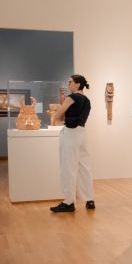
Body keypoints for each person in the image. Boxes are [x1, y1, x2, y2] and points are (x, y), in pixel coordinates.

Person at [50, 74, 95, 213]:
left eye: (70, 82)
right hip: (81, 133)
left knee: (68, 167)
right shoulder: (87, 100)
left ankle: (68, 202)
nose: (68, 85)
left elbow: (57, 116)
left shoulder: (72, 97)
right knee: (84, 167)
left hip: (70, 133)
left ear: (78, 84)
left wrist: (60, 113)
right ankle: (89, 199)